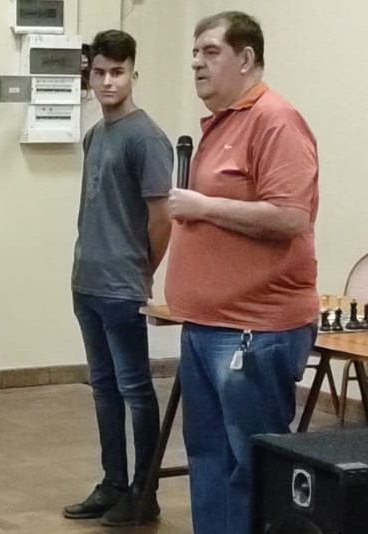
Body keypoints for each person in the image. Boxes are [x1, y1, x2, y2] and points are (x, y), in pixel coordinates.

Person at [164, 11, 319, 533]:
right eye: (194, 53)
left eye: (210, 52)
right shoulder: (223, 122)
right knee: (208, 457)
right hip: (206, 326)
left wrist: (203, 206)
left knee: (249, 466)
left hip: (254, 331)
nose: (196, 63)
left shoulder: (276, 120)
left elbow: (290, 217)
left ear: (246, 58)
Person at [62, 30, 173, 527]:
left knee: (135, 389)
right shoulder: (95, 135)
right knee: (104, 389)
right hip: (86, 281)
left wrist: (142, 270)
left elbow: (162, 218)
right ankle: (112, 483)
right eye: (100, 73)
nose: (108, 82)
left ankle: (143, 492)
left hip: (122, 286)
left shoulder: (146, 138)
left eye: (118, 72)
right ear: (89, 77)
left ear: (133, 74)